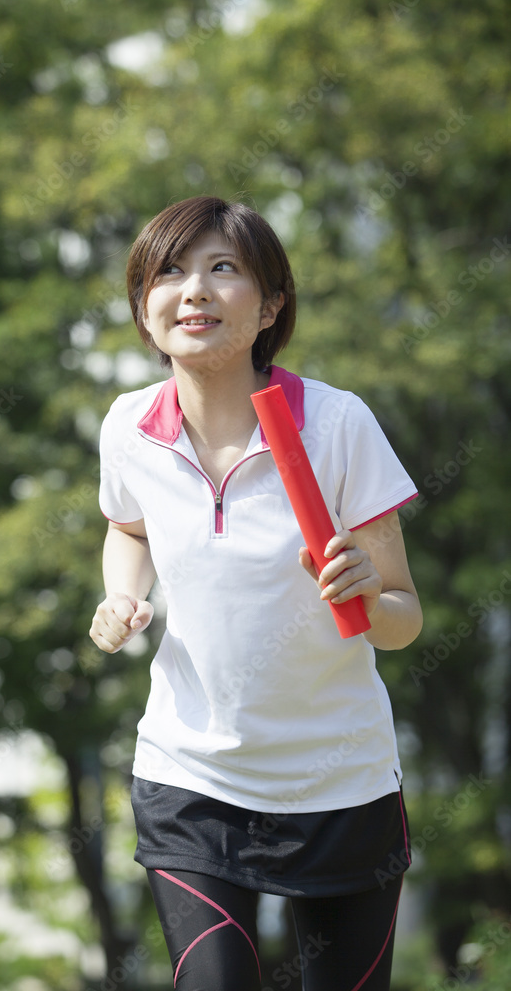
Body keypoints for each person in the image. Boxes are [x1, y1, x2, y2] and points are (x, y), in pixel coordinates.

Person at [89, 196, 423, 991]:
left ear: (270, 305)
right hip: (191, 779)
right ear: (143, 302)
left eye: (222, 269)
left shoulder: (336, 425)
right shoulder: (129, 427)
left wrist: (366, 592)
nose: (193, 290)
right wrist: (121, 596)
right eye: (169, 271)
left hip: (339, 782)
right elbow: (128, 528)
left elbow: (402, 619)